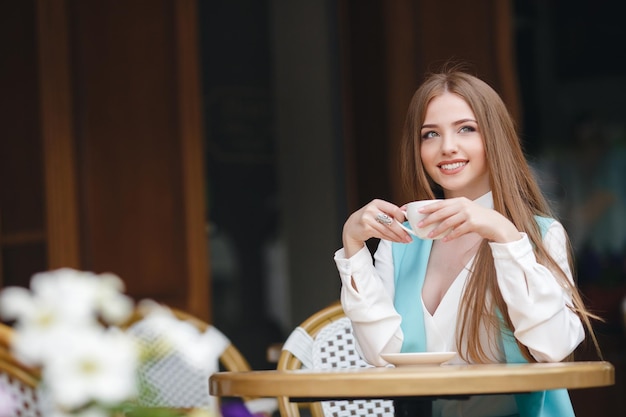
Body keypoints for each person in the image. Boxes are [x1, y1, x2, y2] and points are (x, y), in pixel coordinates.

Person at [334, 67, 601, 417]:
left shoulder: (539, 236)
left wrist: (504, 236)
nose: (447, 147)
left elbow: (552, 348)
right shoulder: (400, 241)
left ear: (495, 137)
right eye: (430, 134)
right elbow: (379, 354)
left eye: (466, 129)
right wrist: (353, 248)